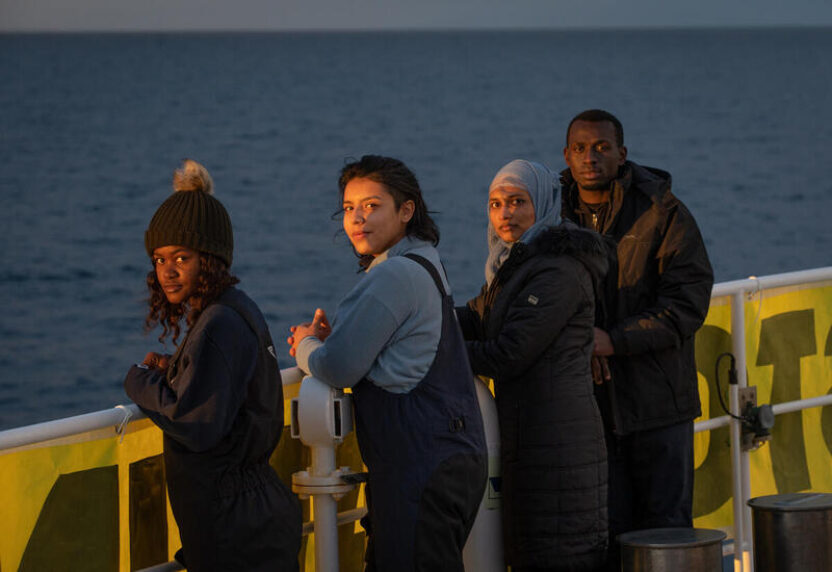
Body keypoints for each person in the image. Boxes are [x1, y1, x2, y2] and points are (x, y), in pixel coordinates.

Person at [288, 155, 487, 572]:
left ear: (406, 210)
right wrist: (338, 339)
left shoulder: (393, 274)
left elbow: (339, 369)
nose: (357, 219)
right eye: (348, 208)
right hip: (451, 457)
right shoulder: (426, 262)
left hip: (418, 467)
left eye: (372, 206)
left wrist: (306, 344)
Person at [124, 159, 302, 572]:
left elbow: (195, 420)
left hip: (236, 528)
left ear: (211, 258)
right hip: (249, 516)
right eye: (159, 259)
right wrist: (177, 368)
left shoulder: (219, 322)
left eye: (181, 258)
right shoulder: (235, 310)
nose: (167, 271)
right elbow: (227, 388)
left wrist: (140, 380)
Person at [560, 109, 714, 564]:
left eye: (603, 147)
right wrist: (580, 339)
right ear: (566, 155)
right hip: (587, 408)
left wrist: (613, 340)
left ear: (622, 153)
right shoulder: (549, 210)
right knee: (601, 535)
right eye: (581, 148)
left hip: (657, 405)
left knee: (665, 534)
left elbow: (688, 303)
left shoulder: (662, 211)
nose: (592, 157)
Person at [457, 159, 609, 571]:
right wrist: (406, 321)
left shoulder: (557, 270)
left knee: (560, 554)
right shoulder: (513, 264)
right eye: (495, 203)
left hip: (558, 442)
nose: (504, 214)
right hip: (533, 436)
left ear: (542, 203)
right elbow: (475, 317)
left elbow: (509, 353)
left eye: (517, 201)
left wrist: (430, 353)